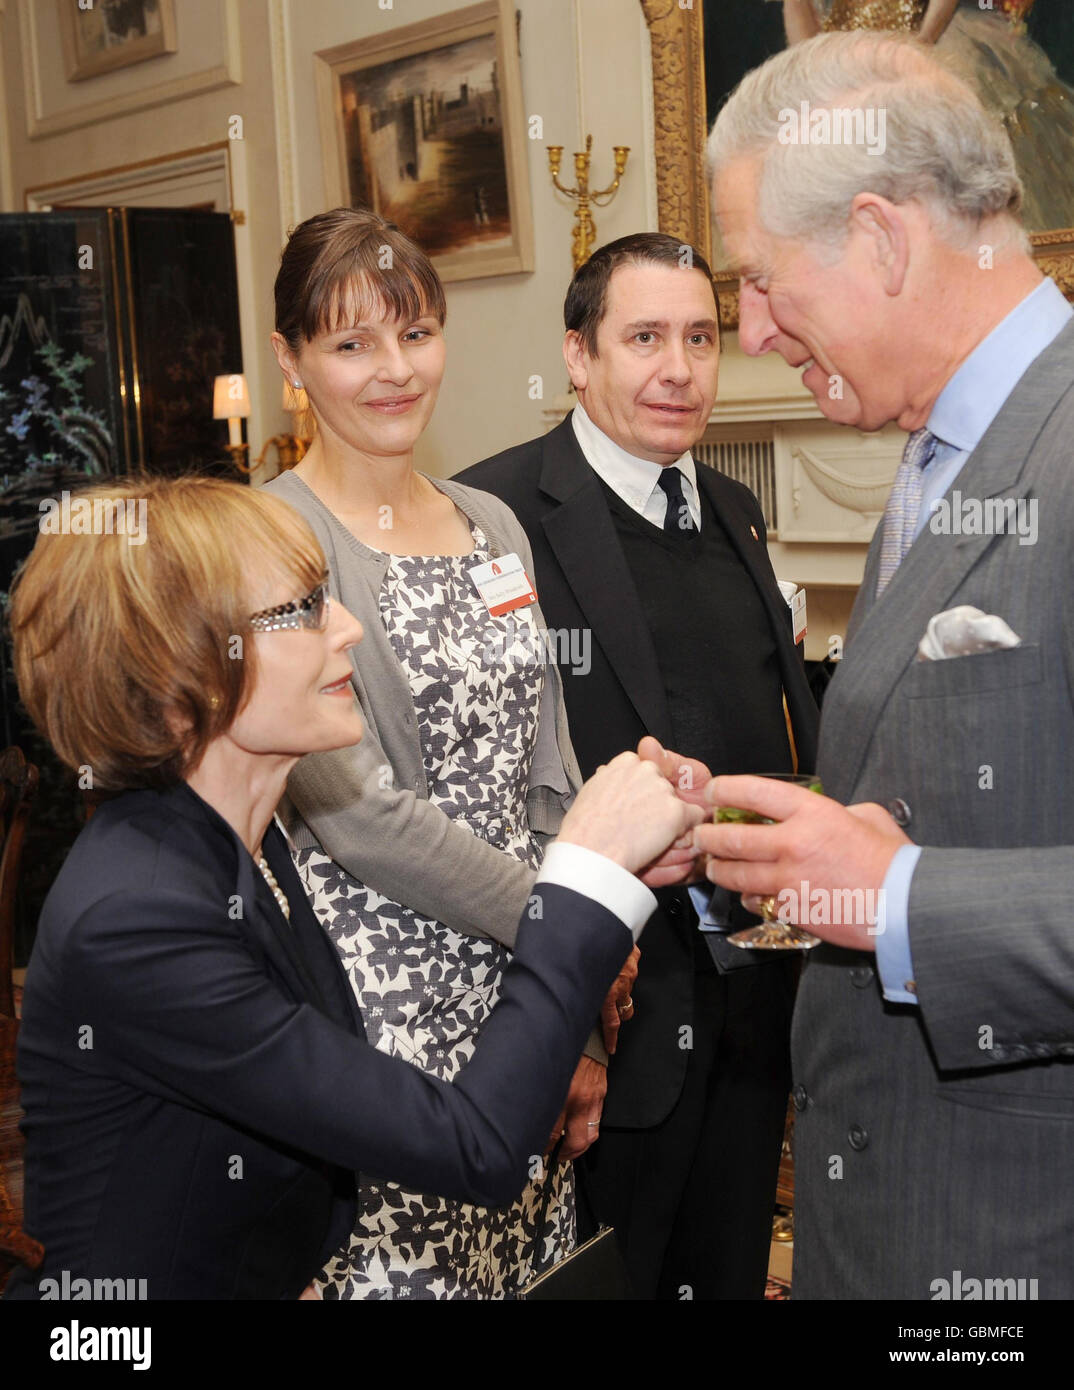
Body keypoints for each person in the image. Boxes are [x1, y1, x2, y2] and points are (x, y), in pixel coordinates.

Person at [4, 475, 700, 1301]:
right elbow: (474, 1148)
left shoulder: (232, 847)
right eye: (301, 610)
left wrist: (612, 867)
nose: (348, 628)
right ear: (176, 673)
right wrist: (583, 876)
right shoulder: (142, 914)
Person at [701, 30, 1074, 1299]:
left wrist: (897, 899)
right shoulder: (937, 458)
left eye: (756, 280)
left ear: (880, 239)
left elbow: (901, 880)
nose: (746, 331)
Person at [264, 208, 639, 1298]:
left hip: (523, 989)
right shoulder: (275, 541)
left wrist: (576, 1011)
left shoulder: (493, 526)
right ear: (290, 359)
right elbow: (358, 813)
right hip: (380, 1014)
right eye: (350, 344)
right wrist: (568, 930)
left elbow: (549, 775)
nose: (394, 371)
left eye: (415, 333)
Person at [458, 233, 819, 1299]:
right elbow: (486, 794)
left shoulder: (736, 514)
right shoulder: (494, 517)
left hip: (751, 1005)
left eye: (701, 338)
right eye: (645, 337)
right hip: (610, 1021)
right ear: (577, 356)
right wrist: (563, 1023)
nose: (679, 368)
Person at [785, 1, 1074, 231]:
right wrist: (815, 72)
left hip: (929, 36)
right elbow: (800, 7)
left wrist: (918, 48)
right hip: (845, 53)